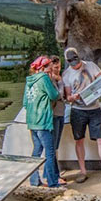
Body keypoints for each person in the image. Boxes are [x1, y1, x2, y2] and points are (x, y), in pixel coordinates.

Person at [61, 47, 101, 182]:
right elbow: (68, 97)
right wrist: (74, 97)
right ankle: (82, 171)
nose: (75, 65)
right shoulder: (66, 74)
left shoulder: (90, 66)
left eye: (76, 61)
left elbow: (99, 78)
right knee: (79, 140)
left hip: (94, 108)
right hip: (78, 110)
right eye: (72, 62)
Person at [24, 55, 62, 188]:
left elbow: (25, 103)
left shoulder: (29, 81)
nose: (49, 71)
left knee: (37, 151)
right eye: (48, 68)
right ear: (43, 68)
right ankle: (53, 183)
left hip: (32, 122)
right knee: (50, 152)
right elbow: (54, 95)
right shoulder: (44, 78)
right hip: (43, 121)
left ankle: (34, 181)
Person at [48, 56, 66, 150]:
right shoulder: (50, 80)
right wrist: (60, 82)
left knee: (57, 144)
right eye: (56, 68)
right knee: (53, 144)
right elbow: (58, 95)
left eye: (59, 67)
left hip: (61, 112)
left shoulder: (59, 78)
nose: (58, 70)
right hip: (54, 114)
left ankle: (55, 163)